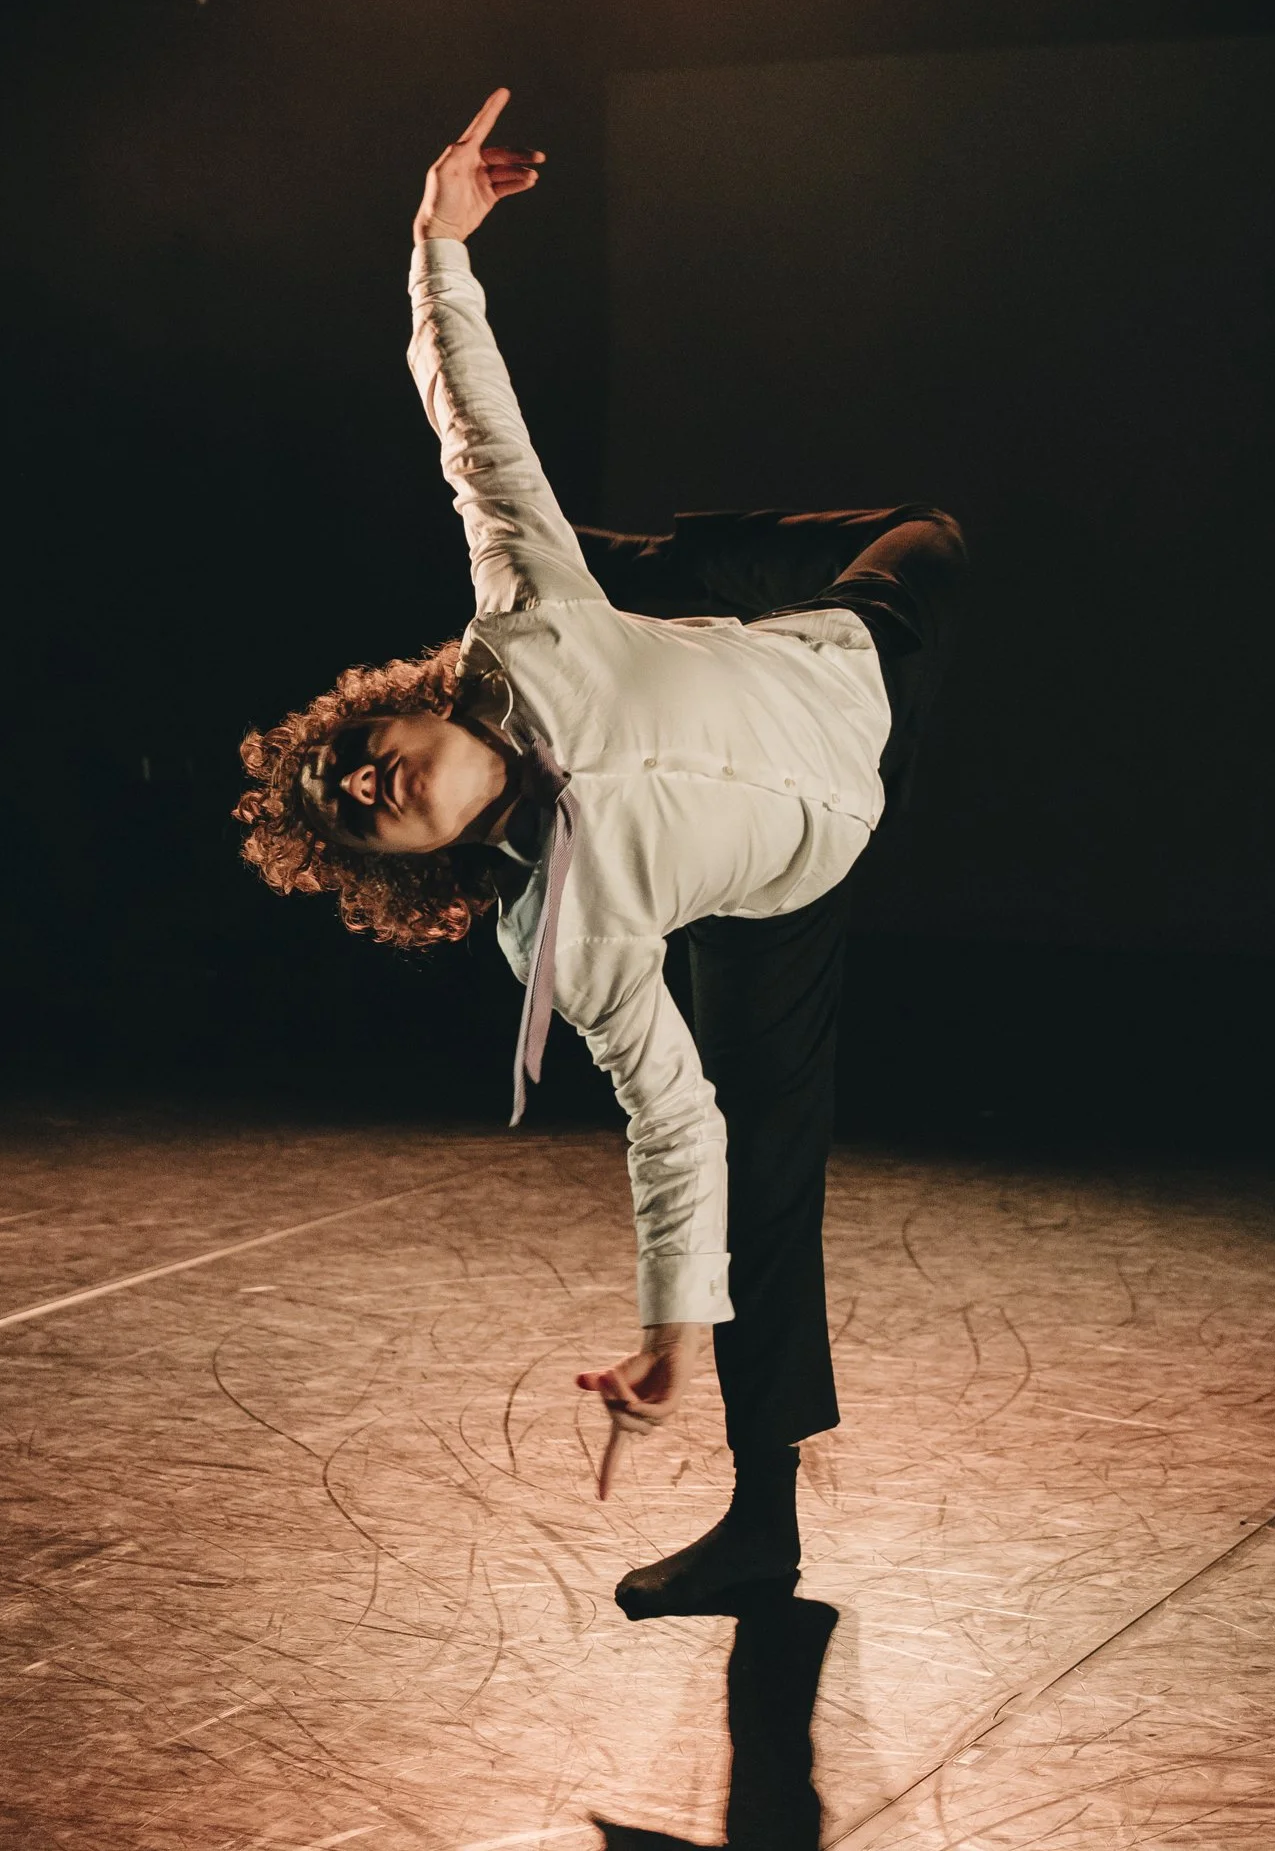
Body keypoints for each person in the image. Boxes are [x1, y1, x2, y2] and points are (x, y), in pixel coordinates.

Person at [234, 90, 968, 1619]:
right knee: (763, 1163)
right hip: (792, 882)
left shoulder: (518, 625)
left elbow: (472, 425)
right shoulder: (555, 939)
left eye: (345, 754)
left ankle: (655, 572)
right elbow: (669, 1131)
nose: (362, 776)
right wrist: (664, 1340)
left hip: (833, 651)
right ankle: (760, 1521)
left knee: (894, 534)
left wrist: (438, 243)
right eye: (353, 808)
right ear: (408, 857)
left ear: (401, 706)